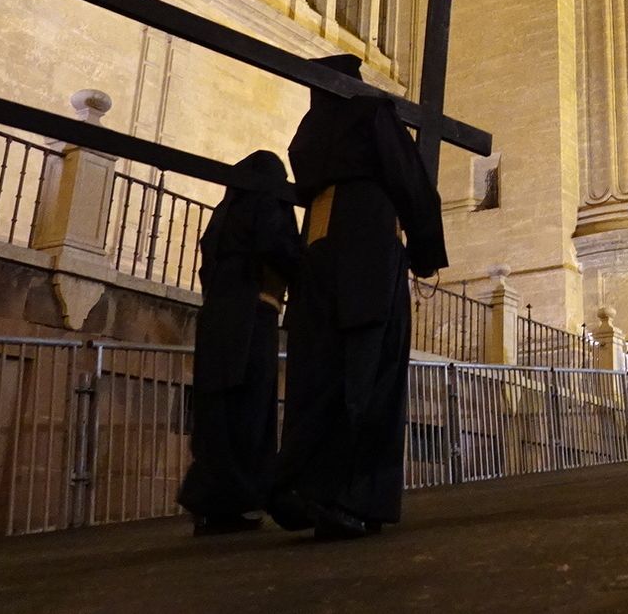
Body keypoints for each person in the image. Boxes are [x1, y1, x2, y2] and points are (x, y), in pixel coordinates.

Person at [270, 55, 448, 540]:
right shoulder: (371, 112)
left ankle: (303, 485)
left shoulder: (309, 131)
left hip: (319, 249)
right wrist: (426, 249)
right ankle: (349, 498)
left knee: (318, 375)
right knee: (371, 373)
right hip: (368, 245)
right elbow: (408, 180)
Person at [178, 151, 303, 536]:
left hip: (216, 316)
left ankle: (211, 503)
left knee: (217, 410)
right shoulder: (267, 203)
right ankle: (239, 502)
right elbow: (278, 246)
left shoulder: (225, 214)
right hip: (252, 314)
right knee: (249, 408)